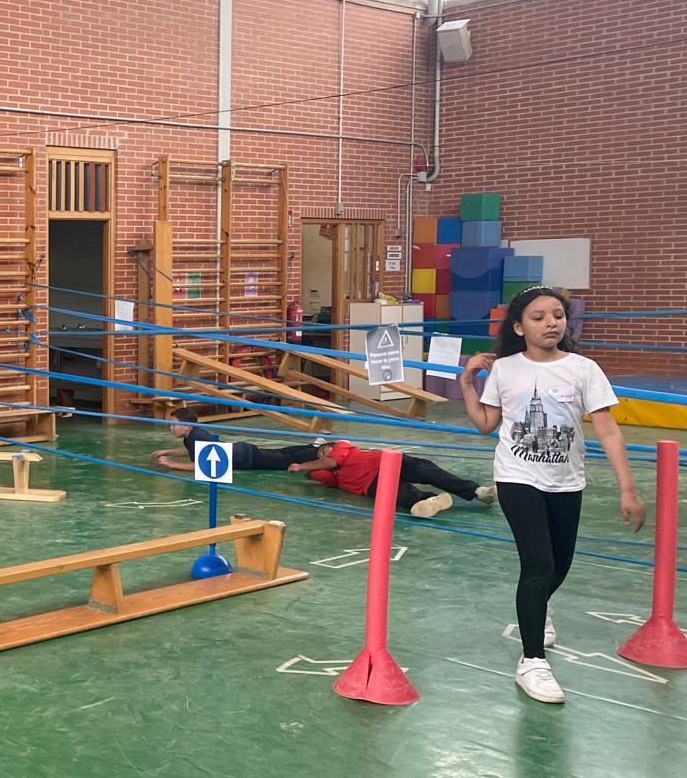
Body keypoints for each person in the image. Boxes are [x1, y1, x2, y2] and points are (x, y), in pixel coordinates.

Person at [462, 285, 645, 705]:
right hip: (516, 477)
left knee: (559, 565)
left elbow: (608, 431)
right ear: (519, 327)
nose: (551, 323)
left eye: (558, 316)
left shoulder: (584, 369)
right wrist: (468, 382)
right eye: (539, 317)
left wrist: (627, 488)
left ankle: (539, 608)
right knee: (539, 564)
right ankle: (532, 662)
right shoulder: (506, 369)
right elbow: (487, 423)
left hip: (566, 480)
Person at [288, 440, 494, 519]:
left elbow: (330, 462)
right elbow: (323, 475)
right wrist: (309, 470)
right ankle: (429, 501)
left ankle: (478, 492)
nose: (324, 454)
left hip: (385, 462)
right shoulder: (333, 475)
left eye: (325, 450)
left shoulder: (342, 447)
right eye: (320, 454)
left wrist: (301, 466)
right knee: (401, 495)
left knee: (425, 470)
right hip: (369, 484)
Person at [155, 407, 326, 472]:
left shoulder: (196, 437)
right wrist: (168, 451)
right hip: (243, 452)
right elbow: (191, 451)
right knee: (281, 453)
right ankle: (314, 446)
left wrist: (172, 464)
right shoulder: (192, 436)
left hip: (247, 458)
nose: (170, 427)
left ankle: (319, 452)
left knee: (286, 460)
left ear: (186, 426)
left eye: (173, 424)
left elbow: (202, 466)